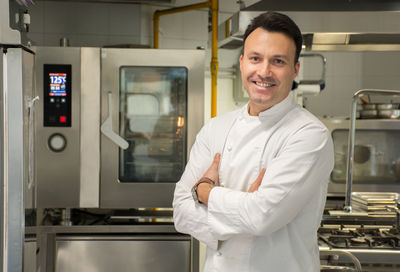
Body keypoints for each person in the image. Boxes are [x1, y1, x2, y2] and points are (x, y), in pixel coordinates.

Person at [173, 11, 334, 272]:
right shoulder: (216, 128)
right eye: (255, 58)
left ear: (295, 69)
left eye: (278, 61)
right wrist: (244, 208)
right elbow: (181, 212)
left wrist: (205, 192)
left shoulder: (309, 134)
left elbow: (262, 217)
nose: (264, 71)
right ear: (241, 62)